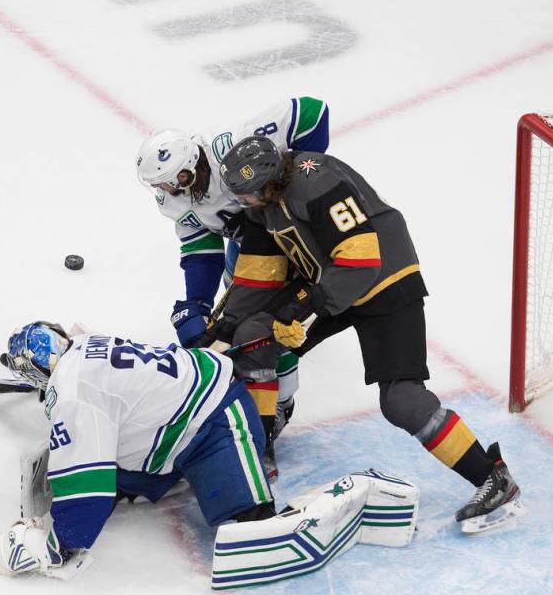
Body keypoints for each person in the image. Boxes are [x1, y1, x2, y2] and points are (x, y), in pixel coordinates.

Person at [205, 136, 523, 533]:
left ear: (268, 183)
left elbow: (359, 259)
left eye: (249, 195)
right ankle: (258, 447)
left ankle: (492, 477)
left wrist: (300, 310)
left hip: (385, 281)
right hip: (332, 280)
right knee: (254, 334)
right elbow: (257, 276)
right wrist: (223, 329)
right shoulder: (263, 203)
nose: (246, 204)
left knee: (402, 401)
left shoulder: (315, 181)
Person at [0, 322, 276, 578]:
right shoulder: (85, 343)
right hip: (181, 415)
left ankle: (256, 515)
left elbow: (88, 488)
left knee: (249, 525)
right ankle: (166, 477)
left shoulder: (73, 393)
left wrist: (60, 545)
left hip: (219, 416)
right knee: (118, 447)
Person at [134, 97, 330, 477]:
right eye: (162, 185)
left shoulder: (230, 148)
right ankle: (253, 403)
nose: (172, 191)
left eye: (177, 180)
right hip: (247, 253)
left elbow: (310, 111)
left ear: (194, 162)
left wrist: (307, 178)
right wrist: (197, 304)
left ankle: (277, 410)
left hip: (292, 240)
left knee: (266, 332)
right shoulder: (173, 200)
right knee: (232, 334)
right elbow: (200, 248)